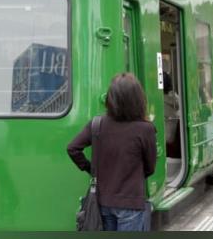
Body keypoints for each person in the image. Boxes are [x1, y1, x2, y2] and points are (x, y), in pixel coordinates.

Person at [67, 73, 157, 231]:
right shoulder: (145, 129)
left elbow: (73, 148)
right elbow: (150, 168)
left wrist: (92, 170)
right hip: (131, 202)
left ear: (111, 98)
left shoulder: (97, 124)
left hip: (103, 202)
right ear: (138, 99)